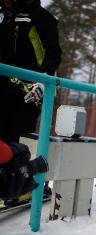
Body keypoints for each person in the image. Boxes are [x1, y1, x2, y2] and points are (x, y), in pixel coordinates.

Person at [0, 0, 62, 143]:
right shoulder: (5, 14)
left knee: (16, 140)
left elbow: (54, 53)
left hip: (30, 88)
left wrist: (43, 81)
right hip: (4, 86)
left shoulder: (40, 15)